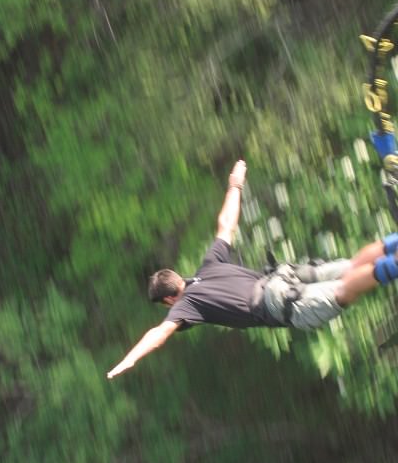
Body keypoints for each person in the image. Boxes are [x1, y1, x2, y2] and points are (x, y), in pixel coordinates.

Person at [107, 159, 398, 379]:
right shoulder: (210, 264)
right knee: (352, 265)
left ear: (170, 299)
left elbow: (159, 333)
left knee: (344, 291)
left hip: (278, 303)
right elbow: (226, 225)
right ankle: (392, 244)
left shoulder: (186, 305)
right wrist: (235, 184)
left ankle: (394, 263)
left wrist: (131, 358)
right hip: (283, 275)